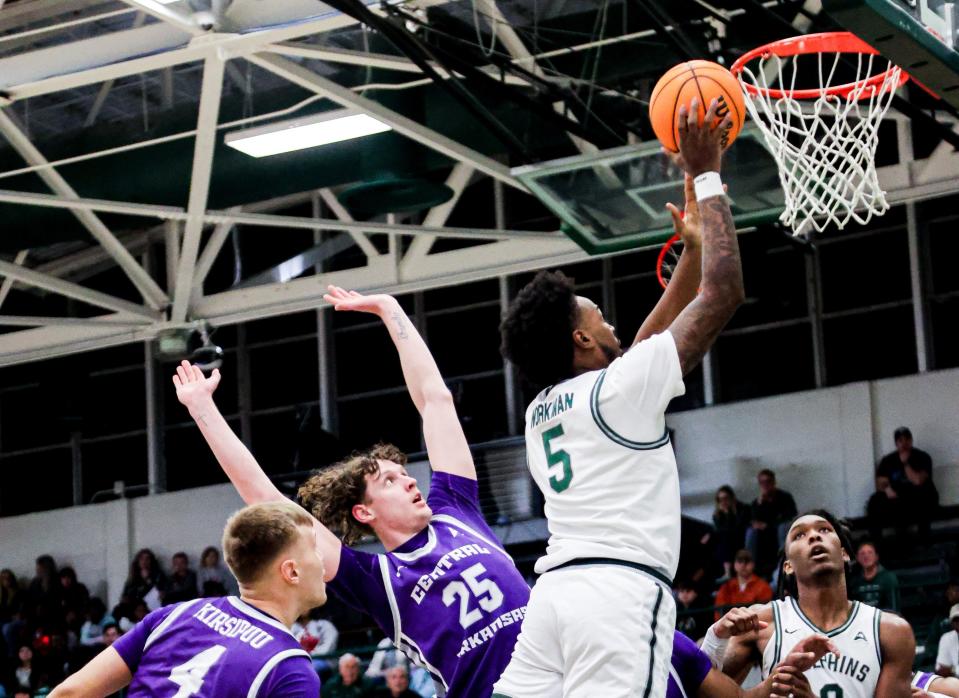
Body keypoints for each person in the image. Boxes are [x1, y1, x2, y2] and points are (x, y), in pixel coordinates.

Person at [495, 97, 745, 697]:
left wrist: (688, 249)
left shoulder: (542, 411)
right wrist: (707, 172)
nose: (612, 326)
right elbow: (725, 292)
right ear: (581, 338)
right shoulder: (618, 392)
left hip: (553, 599)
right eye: (599, 317)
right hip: (618, 596)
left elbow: (643, 346)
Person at [173, 287, 532, 698]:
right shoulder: (376, 580)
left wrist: (390, 311)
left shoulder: (456, 509)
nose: (412, 480)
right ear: (364, 513)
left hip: (564, 676)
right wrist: (202, 408)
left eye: (405, 473)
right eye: (390, 481)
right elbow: (266, 497)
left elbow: (435, 400)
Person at [49, 501, 324, 698]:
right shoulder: (289, 669)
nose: (323, 561)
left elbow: (69, 693)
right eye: (314, 549)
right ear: (291, 571)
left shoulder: (174, 615)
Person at [707, 510, 915, 696]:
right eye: (799, 535)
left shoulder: (890, 631)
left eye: (824, 530)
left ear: (844, 554)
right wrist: (716, 637)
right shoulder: (762, 623)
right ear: (788, 566)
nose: (814, 536)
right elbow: (700, 690)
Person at [876, 426, 939, 532]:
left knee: (920, 499)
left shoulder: (923, 457)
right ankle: (875, 543)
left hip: (920, 496)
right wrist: (887, 489)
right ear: (896, 443)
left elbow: (918, 481)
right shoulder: (888, 460)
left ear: (911, 441)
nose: (904, 444)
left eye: (907, 440)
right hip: (898, 497)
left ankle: (924, 541)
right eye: (900, 440)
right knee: (876, 501)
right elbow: (881, 481)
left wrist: (905, 463)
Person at [745, 470, 797, 577]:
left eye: (768, 481)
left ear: (774, 482)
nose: (765, 485)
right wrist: (760, 505)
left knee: (782, 528)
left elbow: (790, 516)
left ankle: (783, 561)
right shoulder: (757, 502)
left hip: (779, 530)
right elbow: (754, 520)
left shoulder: (785, 497)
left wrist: (768, 525)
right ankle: (749, 565)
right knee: (751, 532)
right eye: (762, 482)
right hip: (765, 534)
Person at [714, 550, 773, 621]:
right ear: (734, 564)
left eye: (747, 561)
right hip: (730, 627)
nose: (743, 565)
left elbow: (765, 613)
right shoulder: (726, 587)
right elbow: (719, 613)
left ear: (753, 564)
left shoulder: (763, 586)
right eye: (740, 561)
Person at [848, 541, 900, 612]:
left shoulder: (888, 578)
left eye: (870, 552)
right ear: (857, 558)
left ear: (876, 557)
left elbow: (894, 609)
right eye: (862, 553)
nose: (866, 556)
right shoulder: (854, 581)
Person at [713, 486, 751, 581]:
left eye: (725, 498)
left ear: (731, 498)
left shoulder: (743, 509)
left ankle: (728, 572)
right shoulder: (718, 515)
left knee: (725, 537)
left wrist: (728, 514)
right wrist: (725, 514)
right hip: (728, 542)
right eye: (720, 499)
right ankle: (726, 572)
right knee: (722, 539)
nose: (723, 502)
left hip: (741, 538)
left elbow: (738, 528)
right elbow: (719, 530)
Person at [936, 605, 959, 677]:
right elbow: (942, 670)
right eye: (956, 619)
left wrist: (953, 669)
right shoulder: (946, 638)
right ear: (951, 623)